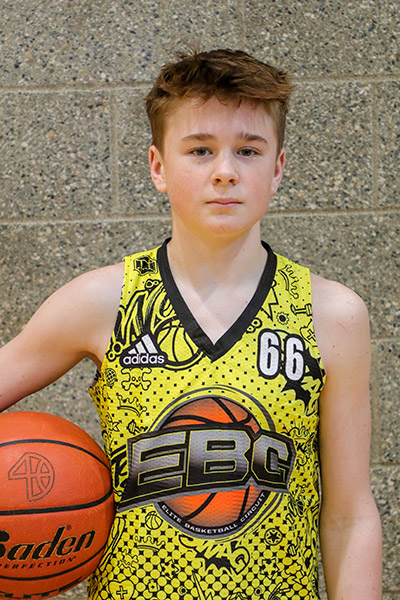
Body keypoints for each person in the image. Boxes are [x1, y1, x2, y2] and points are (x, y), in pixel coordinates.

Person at [0, 49, 382, 599]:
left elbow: (349, 515)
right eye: (200, 150)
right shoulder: (104, 301)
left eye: (248, 150)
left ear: (277, 168)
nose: (225, 170)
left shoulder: (331, 315)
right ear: (158, 167)